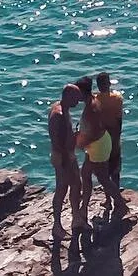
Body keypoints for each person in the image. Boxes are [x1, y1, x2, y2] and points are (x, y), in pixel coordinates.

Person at [74, 77, 124, 226]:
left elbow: (95, 133)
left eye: (76, 92)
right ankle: (84, 207)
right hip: (97, 144)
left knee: (103, 179)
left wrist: (79, 143)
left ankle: (120, 204)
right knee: (86, 174)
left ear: (82, 92)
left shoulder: (92, 108)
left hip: (98, 146)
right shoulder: (92, 102)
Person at [48, 82, 83, 239]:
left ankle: (76, 218)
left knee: (75, 185)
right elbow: (57, 140)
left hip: (66, 155)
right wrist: (65, 161)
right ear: (68, 97)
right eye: (76, 98)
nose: (78, 102)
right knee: (62, 189)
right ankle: (57, 226)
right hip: (63, 157)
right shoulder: (59, 115)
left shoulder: (59, 107)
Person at [94, 72, 127, 212]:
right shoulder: (117, 99)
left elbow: (94, 123)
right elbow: (119, 121)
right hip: (114, 138)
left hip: (101, 140)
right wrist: (117, 136)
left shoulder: (95, 100)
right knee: (115, 170)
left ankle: (108, 200)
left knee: (104, 171)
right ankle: (117, 196)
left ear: (98, 86)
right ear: (109, 83)